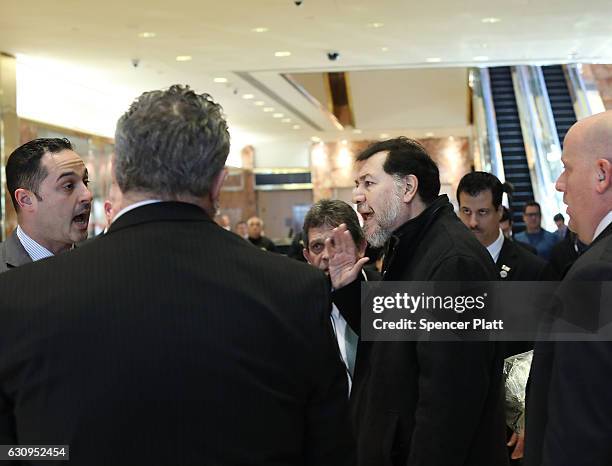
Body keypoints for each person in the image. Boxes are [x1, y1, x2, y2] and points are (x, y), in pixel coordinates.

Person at [0, 85, 353, 466]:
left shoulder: (20, 294)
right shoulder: (294, 290)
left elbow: (13, 448)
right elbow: (328, 448)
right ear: (219, 181)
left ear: (118, 171)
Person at [328, 137, 508, 466]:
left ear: (408, 188)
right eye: (357, 185)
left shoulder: (453, 263)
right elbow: (392, 336)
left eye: (368, 183)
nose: (357, 196)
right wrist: (349, 289)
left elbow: (448, 407)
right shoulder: (412, 246)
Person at [525, 111, 612, 466]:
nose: (560, 183)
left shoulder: (597, 273)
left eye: (567, 168)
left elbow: (581, 432)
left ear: (602, 174)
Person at [457, 171, 546, 462]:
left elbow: (536, 347)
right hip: (460, 410)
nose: (472, 222)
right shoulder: (448, 267)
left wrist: (525, 412)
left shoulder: (531, 269)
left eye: (482, 212)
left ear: (499, 212)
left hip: (510, 415)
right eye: (466, 211)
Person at [302, 199, 379, 392]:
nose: (327, 255)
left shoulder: (388, 290)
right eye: (317, 247)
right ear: (307, 256)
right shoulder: (296, 308)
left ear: (361, 246)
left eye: (336, 243)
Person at [0, 137, 92, 272]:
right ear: (26, 200)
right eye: (68, 186)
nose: (88, 195)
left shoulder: (100, 262)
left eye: (85, 181)